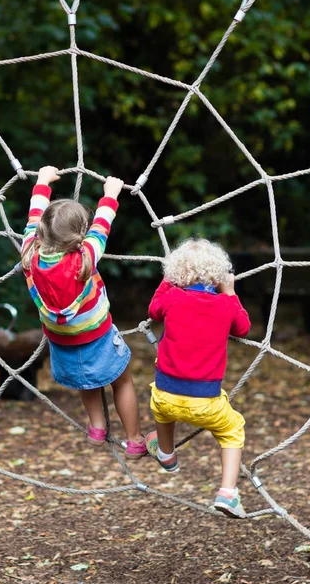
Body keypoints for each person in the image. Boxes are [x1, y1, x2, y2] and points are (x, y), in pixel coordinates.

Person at [20, 166, 146, 459]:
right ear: (79, 234)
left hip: (61, 341)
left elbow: (33, 217)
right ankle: (134, 440)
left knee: (86, 382)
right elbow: (102, 225)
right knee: (122, 380)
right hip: (97, 337)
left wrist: (41, 182)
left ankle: (97, 427)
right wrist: (110, 195)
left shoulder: (29, 254)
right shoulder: (85, 257)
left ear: (41, 232)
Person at [145, 238, 250, 517]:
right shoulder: (225, 305)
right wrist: (230, 292)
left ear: (176, 274)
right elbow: (243, 328)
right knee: (232, 430)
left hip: (164, 394)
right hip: (205, 402)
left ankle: (166, 454)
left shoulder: (172, 297)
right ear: (217, 275)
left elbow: (153, 310)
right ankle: (228, 493)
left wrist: (168, 282)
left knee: (163, 410)